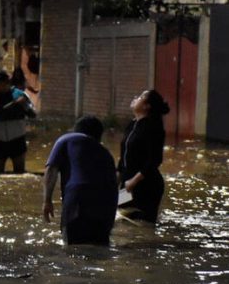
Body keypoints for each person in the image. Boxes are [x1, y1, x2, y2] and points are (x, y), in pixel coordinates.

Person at [43, 116, 118, 245]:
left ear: (76, 130)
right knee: (99, 248)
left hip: (78, 198)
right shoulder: (106, 153)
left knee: (73, 248)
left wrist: (47, 200)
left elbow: (51, 170)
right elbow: (114, 183)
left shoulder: (65, 139)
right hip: (107, 204)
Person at [117, 90, 170, 223]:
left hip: (145, 184)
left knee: (142, 224)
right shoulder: (132, 125)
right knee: (120, 217)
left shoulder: (153, 128)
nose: (136, 97)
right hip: (127, 183)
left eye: (141, 97)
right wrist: (117, 178)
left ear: (147, 106)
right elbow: (124, 154)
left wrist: (134, 181)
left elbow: (155, 160)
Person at [0, 70, 35, 174]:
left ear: (7, 83)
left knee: (20, 174)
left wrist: (24, 105)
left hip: (17, 138)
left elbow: (33, 114)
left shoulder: (20, 95)